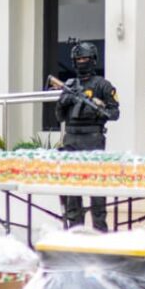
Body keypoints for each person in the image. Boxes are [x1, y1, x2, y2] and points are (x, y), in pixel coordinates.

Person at [56, 41, 119, 232]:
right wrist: (64, 101)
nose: (82, 62)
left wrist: (98, 109)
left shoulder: (103, 85)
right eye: (79, 59)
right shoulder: (70, 85)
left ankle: (99, 229)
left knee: (96, 186)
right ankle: (75, 229)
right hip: (71, 139)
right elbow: (59, 117)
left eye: (85, 58)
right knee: (72, 189)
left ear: (93, 60)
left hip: (93, 139)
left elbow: (115, 113)